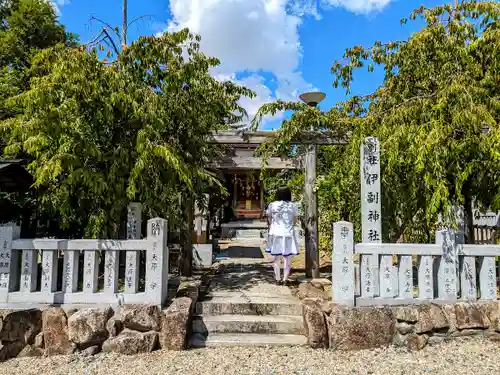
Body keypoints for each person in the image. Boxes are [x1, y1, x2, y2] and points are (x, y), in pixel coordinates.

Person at [265, 186, 299, 285]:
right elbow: (295, 220)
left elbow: (270, 219)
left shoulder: (272, 205)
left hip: (275, 233)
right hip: (288, 233)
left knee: (276, 258)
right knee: (287, 258)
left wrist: (274, 226)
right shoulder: (293, 205)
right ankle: (285, 279)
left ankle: (277, 279)